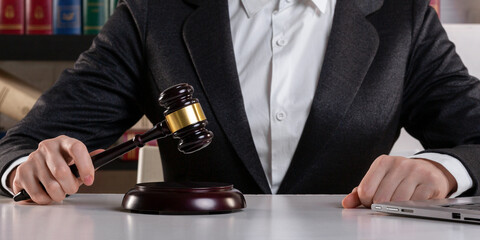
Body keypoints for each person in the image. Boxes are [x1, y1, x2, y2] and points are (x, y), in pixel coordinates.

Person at [0, 0, 479, 207]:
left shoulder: (405, 17)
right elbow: (24, 144)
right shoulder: (153, 15)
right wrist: (31, 167)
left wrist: (444, 171)